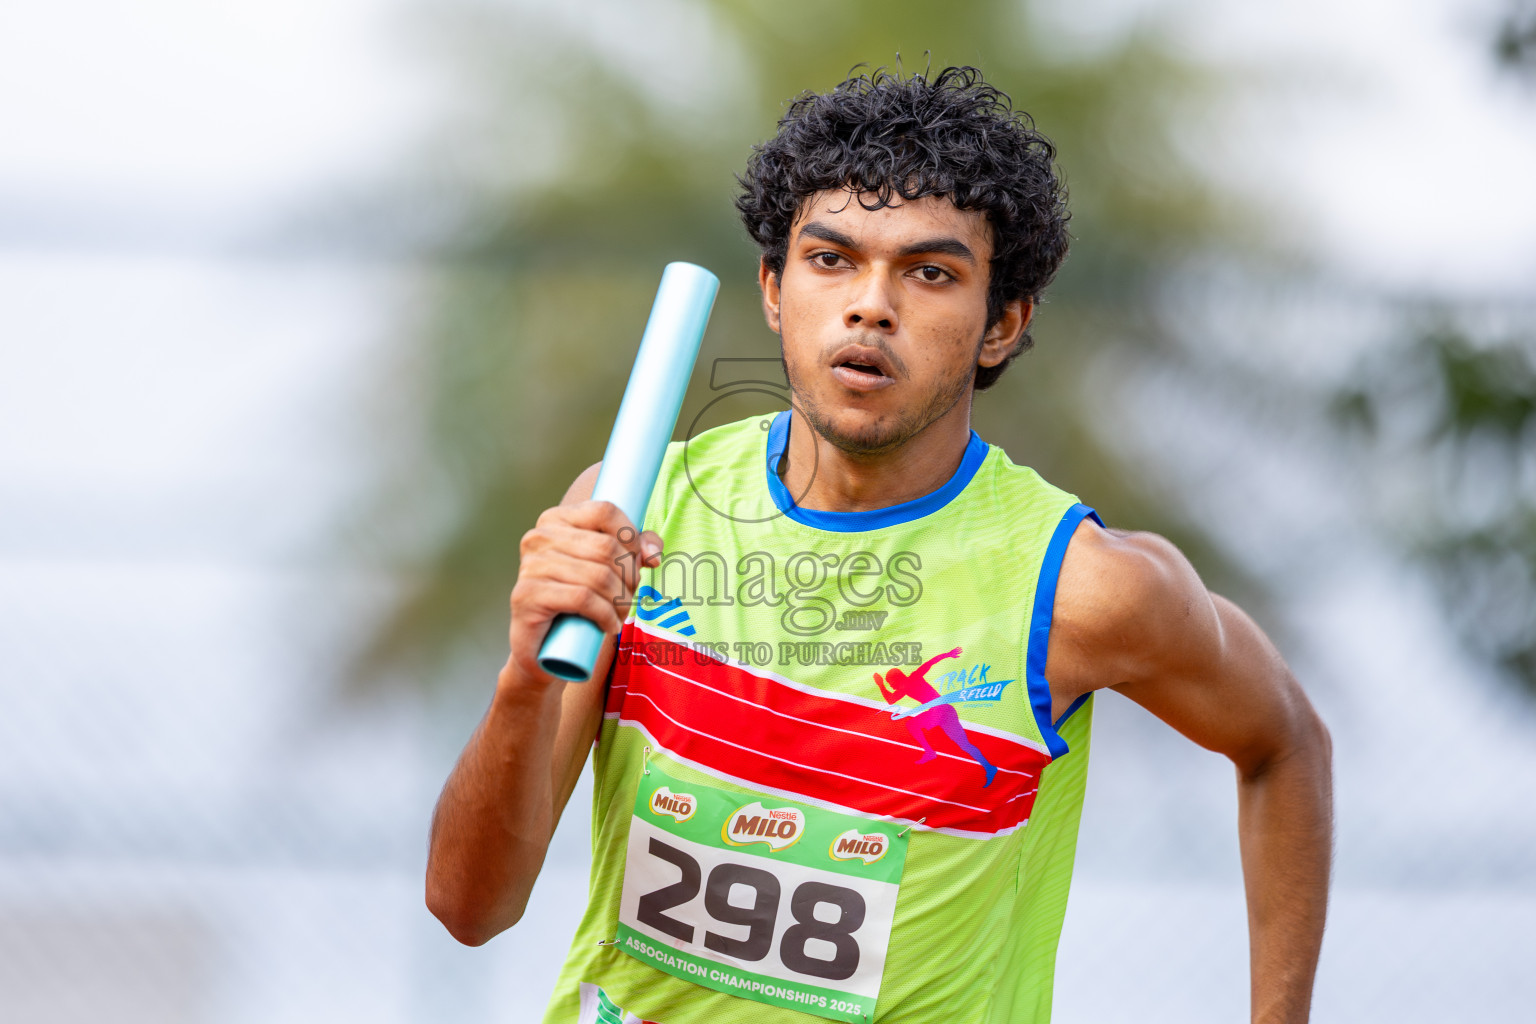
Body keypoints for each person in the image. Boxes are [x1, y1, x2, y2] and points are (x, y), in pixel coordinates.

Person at [424, 66, 1333, 1024]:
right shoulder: (637, 513)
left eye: (930, 273)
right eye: (831, 260)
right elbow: (468, 907)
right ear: (775, 290)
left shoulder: (1080, 588)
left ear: (1003, 325)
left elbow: (1285, 743)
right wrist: (527, 675)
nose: (870, 306)